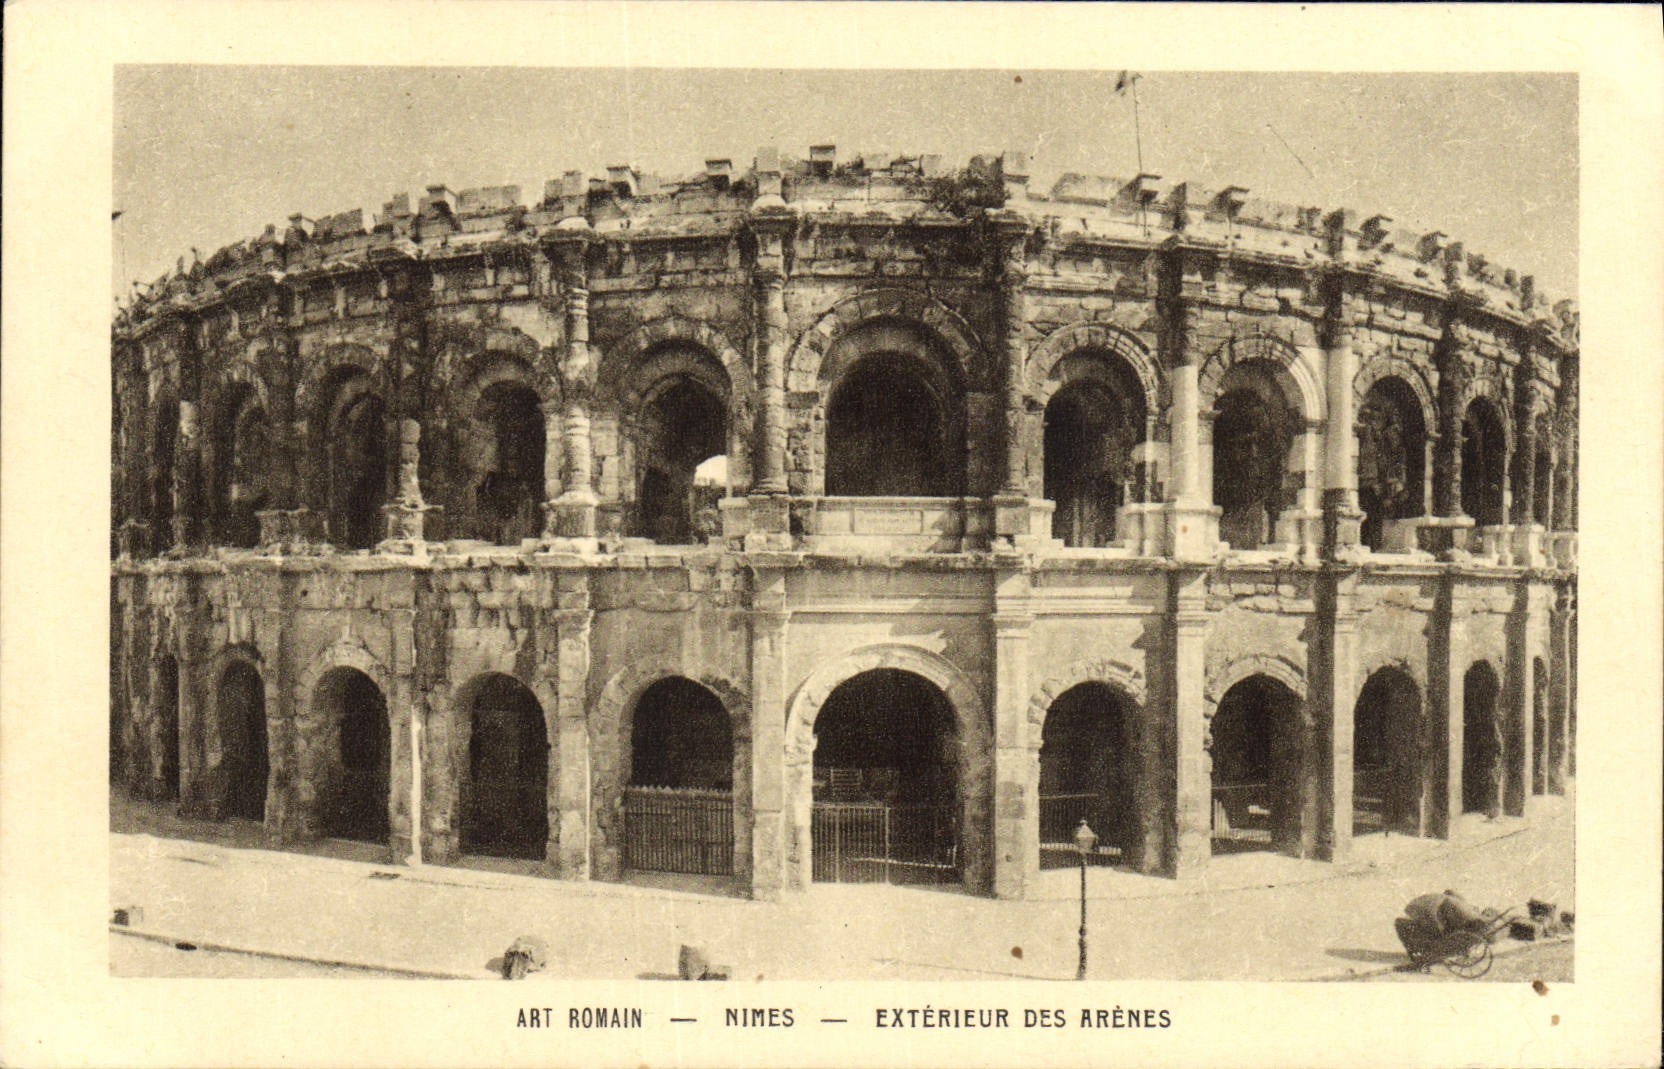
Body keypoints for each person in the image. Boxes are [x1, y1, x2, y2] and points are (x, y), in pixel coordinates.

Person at [1394, 889, 1496, 963]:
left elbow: (1436, 925)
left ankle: (1417, 952)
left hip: (1431, 910)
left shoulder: (1447, 904)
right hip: (1452, 915)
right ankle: (1416, 950)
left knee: (1402, 924)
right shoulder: (1461, 906)